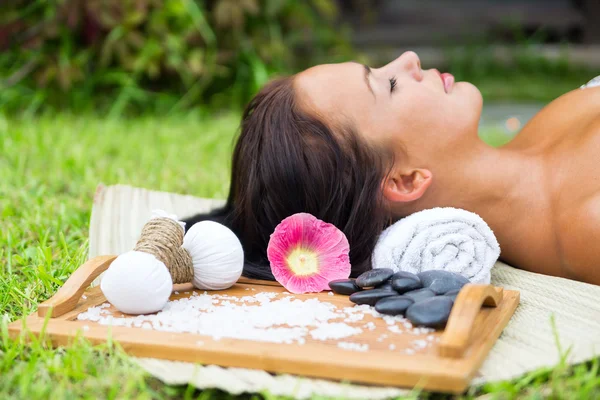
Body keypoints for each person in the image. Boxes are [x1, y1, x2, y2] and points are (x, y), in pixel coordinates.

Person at [184, 51, 600, 286]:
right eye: (390, 85)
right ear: (404, 180)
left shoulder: (538, 135)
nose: (409, 59)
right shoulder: (586, 226)